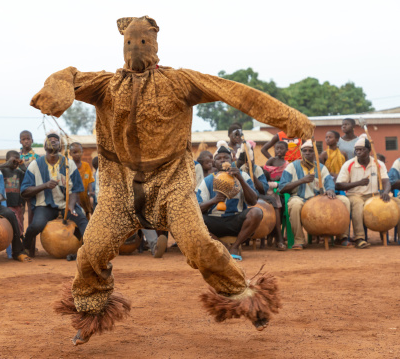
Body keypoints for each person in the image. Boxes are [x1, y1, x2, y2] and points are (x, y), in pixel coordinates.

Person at [31, 16, 313, 344]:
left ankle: (245, 297)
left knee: (198, 246)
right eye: (130, 43)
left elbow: (234, 92)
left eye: (143, 42)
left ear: (154, 45)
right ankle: (92, 312)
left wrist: (288, 118)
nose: (136, 48)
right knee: (91, 250)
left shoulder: (179, 81)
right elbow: (71, 75)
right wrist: (57, 87)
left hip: (171, 183)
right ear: (123, 47)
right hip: (118, 185)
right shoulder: (107, 84)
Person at [21, 133, 88, 258]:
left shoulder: (69, 164)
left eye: (56, 140)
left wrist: (71, 206)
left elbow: (76, 189)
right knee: (36, 225)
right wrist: (44, 185)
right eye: (50, 140)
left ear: (60, 146)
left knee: (82, 220)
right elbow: (25, 191)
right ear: (45, 145)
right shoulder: (35, 165)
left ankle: (88, 250)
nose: (53, 142)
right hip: (44, 205)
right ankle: (24, 248)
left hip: (66, 204)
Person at [279, 140, 351, 250]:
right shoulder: (292, 167)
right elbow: (282, 188)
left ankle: (341, 237)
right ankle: (299, 240)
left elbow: (329, 182)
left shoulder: (321, 167)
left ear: (315, 154)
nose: (307, 153)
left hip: (320, 201)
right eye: (304, 151)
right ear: (301, 153)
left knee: (345, 201)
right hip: (300, 198)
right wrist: (301, 180)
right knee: (294, 205)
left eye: (310, 151)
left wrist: (330, 190)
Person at [197, 146, 263, 260]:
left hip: (236, 220)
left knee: (257, 212)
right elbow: (197, 208)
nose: (223, 160)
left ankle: (235, 247)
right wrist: (214, 200)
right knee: (192, 218)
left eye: (226, 158)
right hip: (213, 222)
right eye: (219, 158)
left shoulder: (243, 176)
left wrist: (240, 179)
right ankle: (223, 247)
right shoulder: (207, 180)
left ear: (232, 161)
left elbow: (253, 201)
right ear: (214, 163)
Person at [335, 135, 390, 249]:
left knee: (387, 203)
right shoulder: (349, 164)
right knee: (358, 204)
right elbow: (339, 185)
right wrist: (358, 183)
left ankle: (384, 235)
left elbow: (386, 181)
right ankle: (359, 238)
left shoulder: (378, 163)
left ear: (369, 151)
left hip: (374, 196)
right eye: (357, 150)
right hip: (355, 195)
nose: (358, 152)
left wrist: (386, 192)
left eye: (362, 149)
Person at [234, 144, 286, 250]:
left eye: (251, 160)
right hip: (240, 196)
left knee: (273, 199)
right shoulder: (238, 168)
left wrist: (253, 175)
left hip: (257, 195)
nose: (249, 162)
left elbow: (263, 189)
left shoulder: (257, 169)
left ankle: (279, 238)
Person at [0, 150, 26, 235]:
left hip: (18, 204)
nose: (16, 162)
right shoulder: (1, 171)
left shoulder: (19, 172)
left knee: (19, 223)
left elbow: (28, 175)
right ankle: (15, 240)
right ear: (7, 160)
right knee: (11, 224)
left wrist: (22, 165)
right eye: (14, 160)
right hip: (6, 203)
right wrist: (6, 164)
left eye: (18, 160)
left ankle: (19, 238)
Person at [69, 142, 95, 218]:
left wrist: (90, 191)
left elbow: (89, 180)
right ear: (70, 153)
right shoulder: (69, 167)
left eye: (79, 152)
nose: (77, 154)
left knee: (87, 214)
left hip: (85, 197)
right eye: (74, 152)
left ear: (82, 152)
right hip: (74, 198)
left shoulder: (86, 166)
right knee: (77, 215)